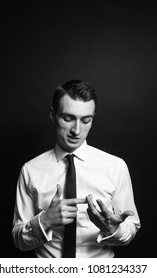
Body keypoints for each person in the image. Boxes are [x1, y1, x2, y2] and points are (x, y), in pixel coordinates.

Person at [12, 79, 140, 258]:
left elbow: (131, 229)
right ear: (52, 115)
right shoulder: (30, 170)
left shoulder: (115, 167)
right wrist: (44, 221)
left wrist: (113, 229)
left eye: (86, 120)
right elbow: (19, 240)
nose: (77, 130)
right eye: (68, 118)